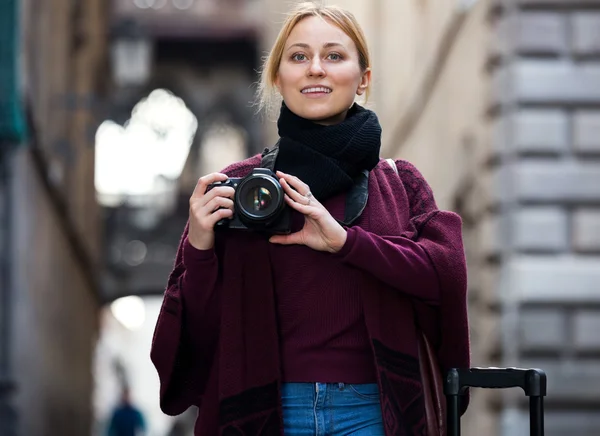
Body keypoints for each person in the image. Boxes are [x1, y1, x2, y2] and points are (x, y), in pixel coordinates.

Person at [151, 2, 470, 435]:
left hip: (375, 412)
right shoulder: (237, 189)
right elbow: (193, 339)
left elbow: (443, 276)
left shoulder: (400, 183)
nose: (315, 68)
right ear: (279, 78)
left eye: (334, 56)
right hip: (264, 413)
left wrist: (346, 242)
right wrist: (201, 248)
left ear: (363, 80)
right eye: (299, 56)